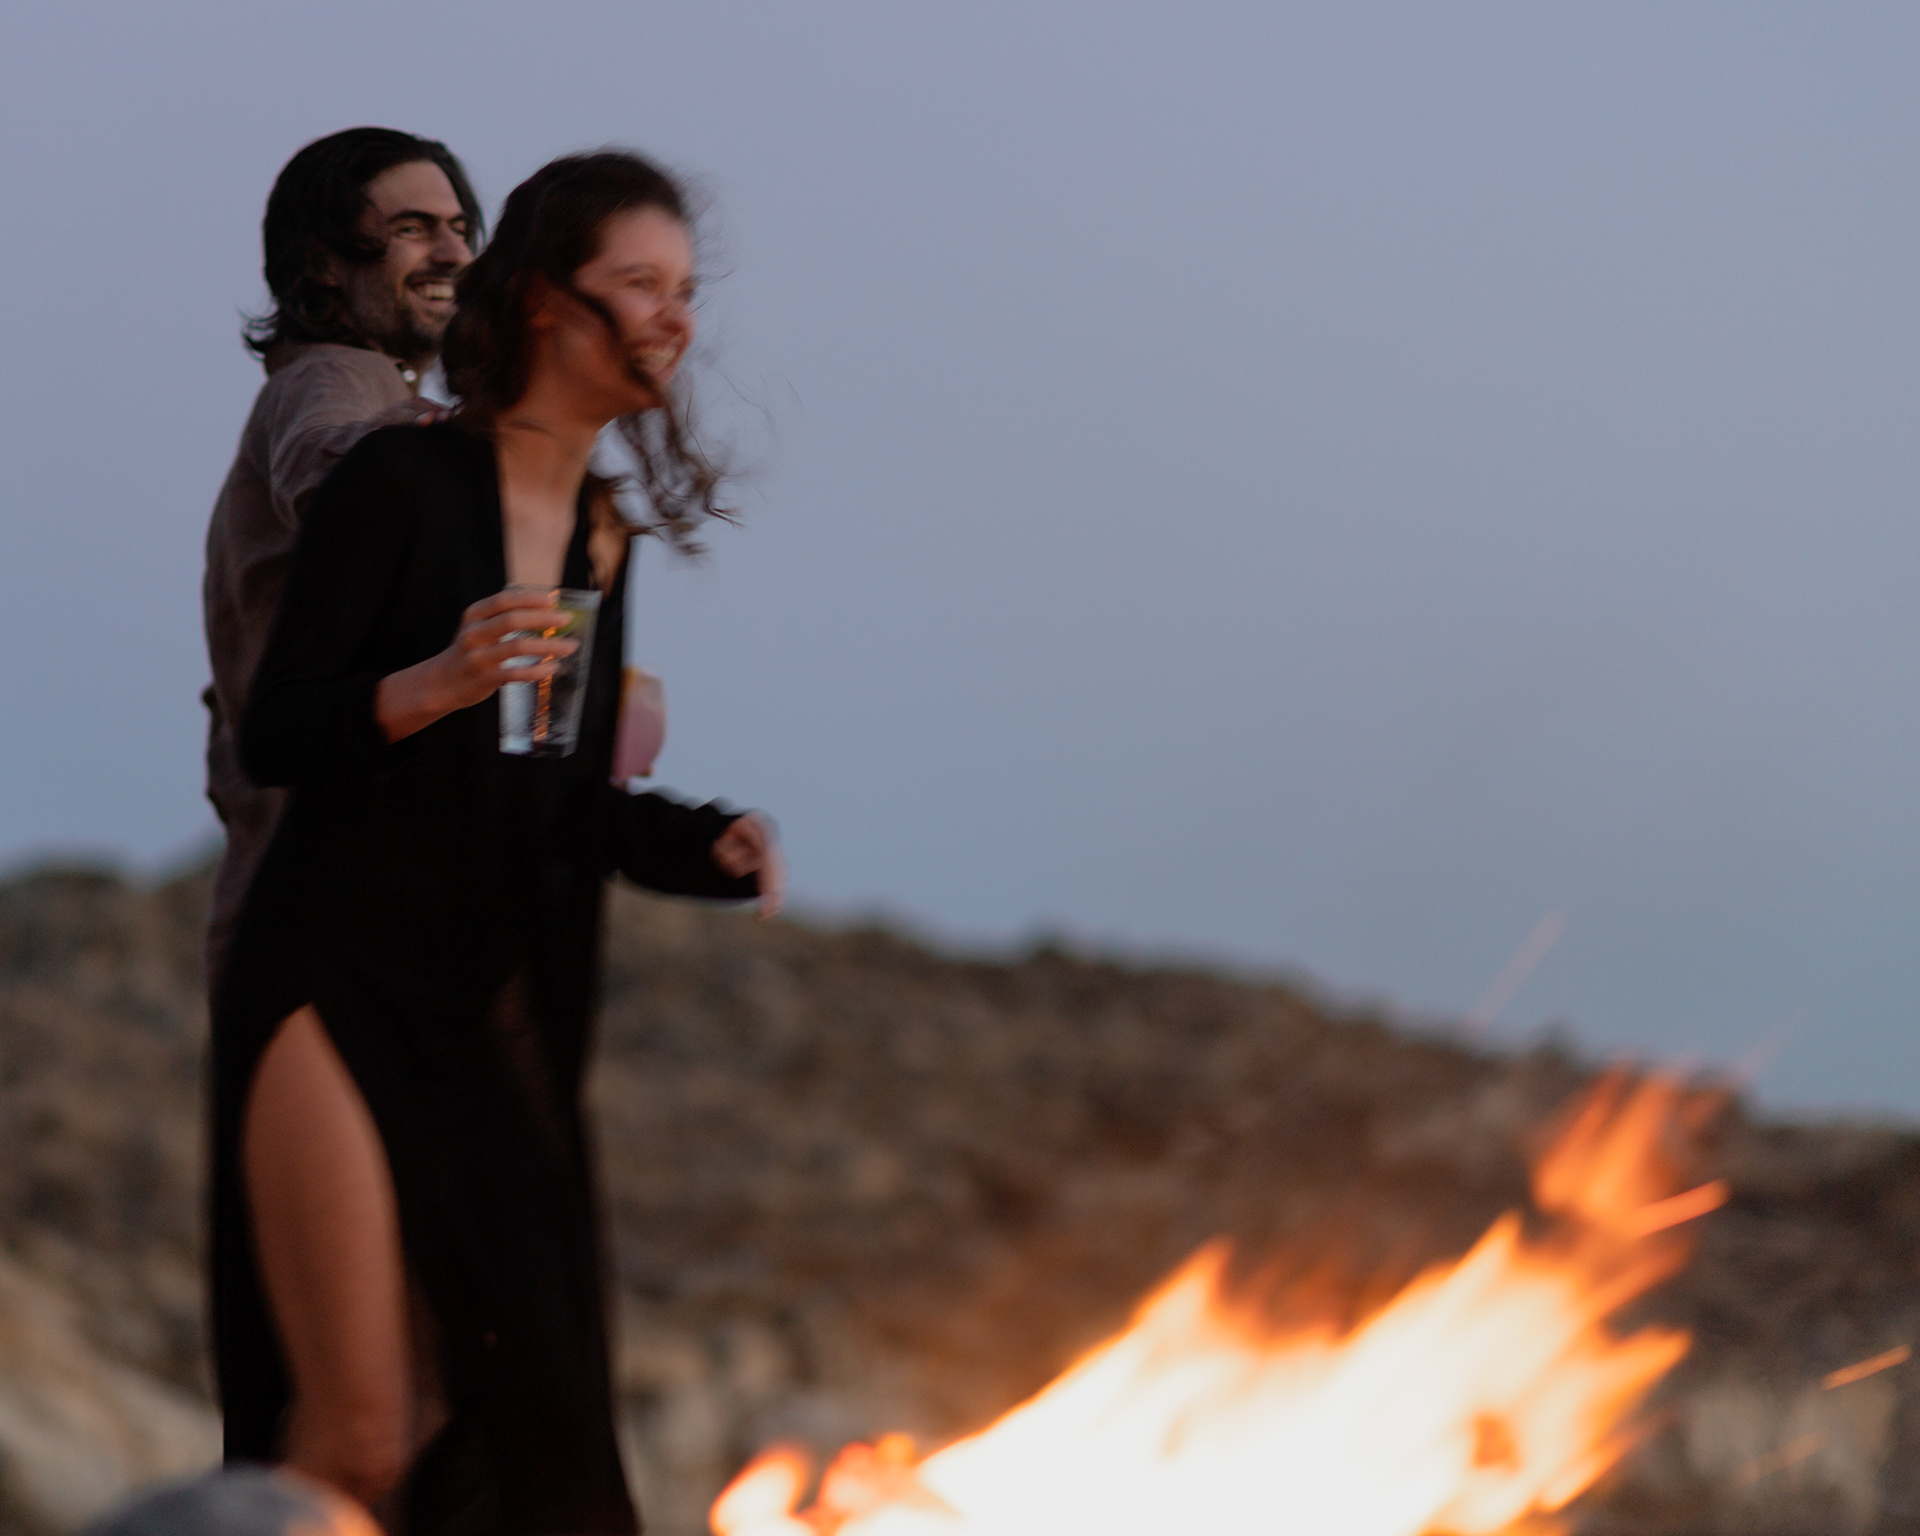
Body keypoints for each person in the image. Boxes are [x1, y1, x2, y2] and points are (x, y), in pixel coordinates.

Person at [211, 150, 783, 1535]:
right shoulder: (383, 454)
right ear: (545, 301)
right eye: (640, 284)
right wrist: (435, 673)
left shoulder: (595, 535)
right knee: (355, 1434)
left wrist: (700, 840)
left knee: (526, 1442)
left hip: (482, 1002)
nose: (675, 318)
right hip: (330, 974)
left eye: (685, 290)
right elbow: (283, 723)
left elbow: (552, 786)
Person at [203, 126, 482, 988]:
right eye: (411, 229)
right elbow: (326, 467)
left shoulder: (377, 388)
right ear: (323, 262)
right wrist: (485, 437)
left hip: (334, 913)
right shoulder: (333, 377)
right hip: (324, 927)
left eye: (459, 227)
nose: (453, 252)